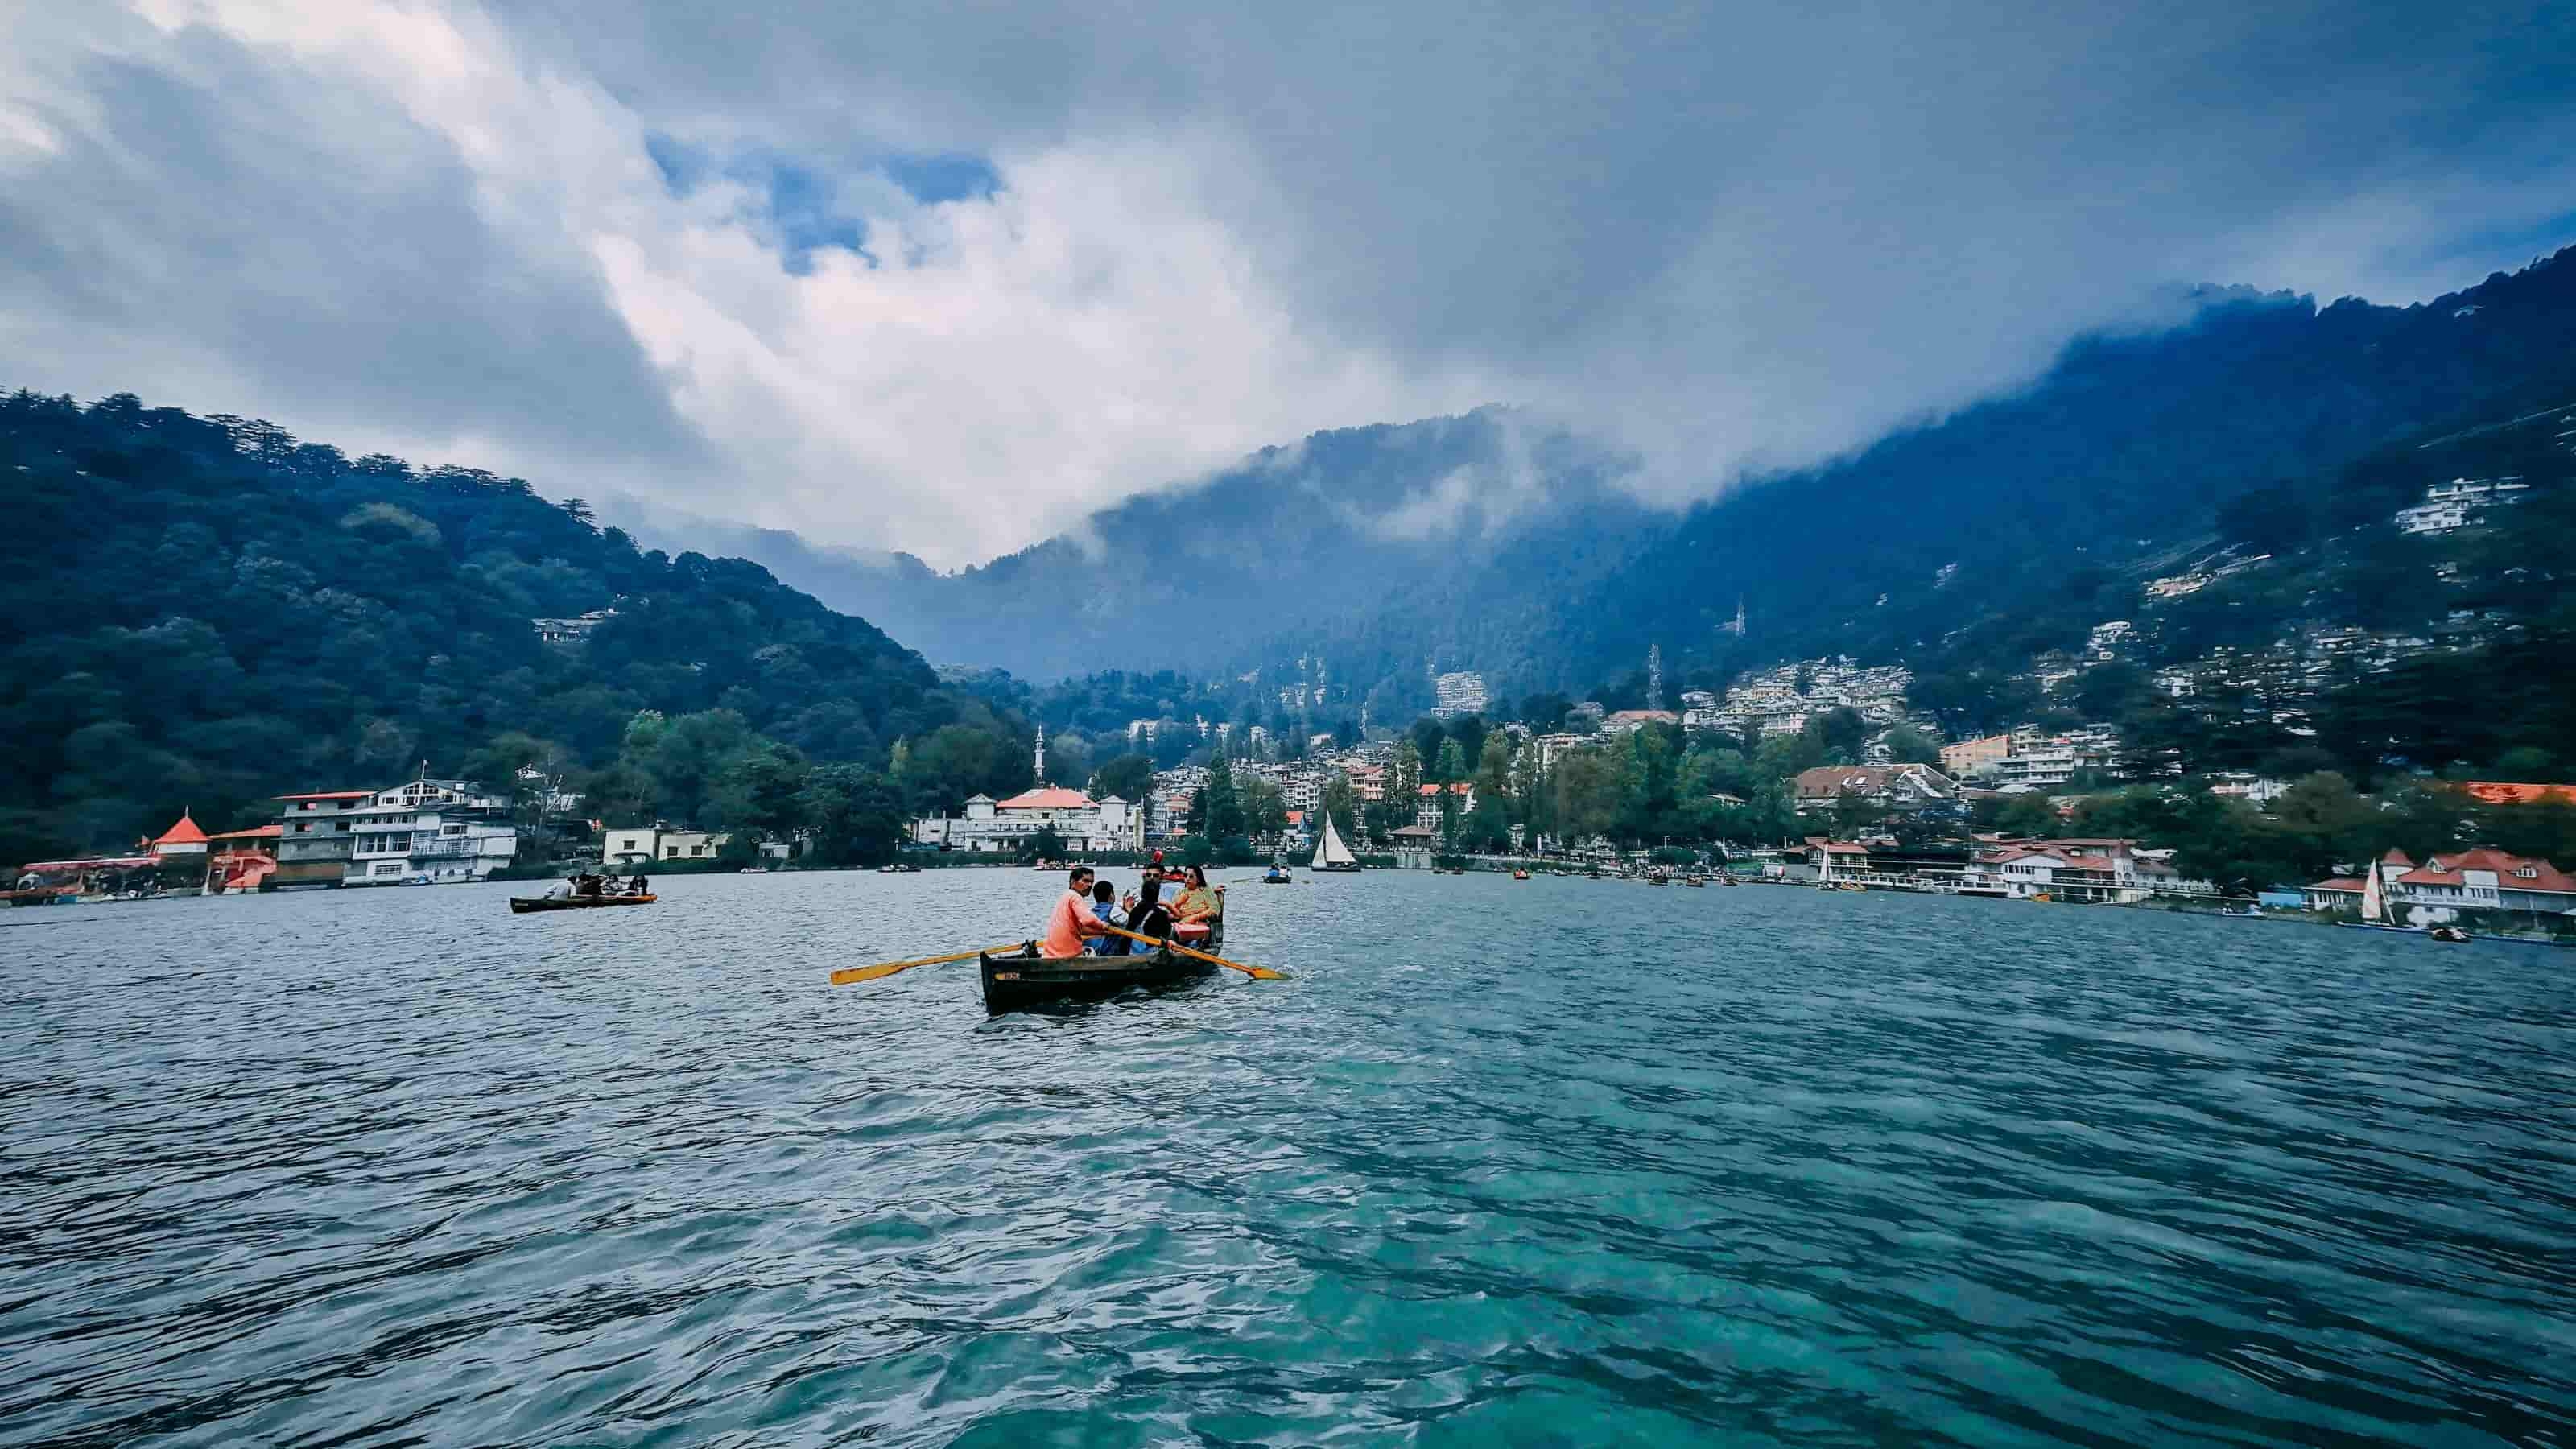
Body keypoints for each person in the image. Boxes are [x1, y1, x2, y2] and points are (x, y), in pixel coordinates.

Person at [1042, 865, 1111, 958]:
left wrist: (1101, 933)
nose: (1090, 885)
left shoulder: (1066, 896)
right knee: (1092, 954)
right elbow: (1088, 920)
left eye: (1091, 882)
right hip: (1067, 955)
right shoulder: (1075, 897)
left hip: (1051, 955)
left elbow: (1081, 929)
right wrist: (1103, 925)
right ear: (1073, 882)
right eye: (1085, 881)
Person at [1085, 878, 1126, 955]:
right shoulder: (1114, 910)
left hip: (1091, 953)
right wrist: (1129, 910)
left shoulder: (1089, 913)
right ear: (1111, 895)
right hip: (1107, 955)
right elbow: (1131, 924)